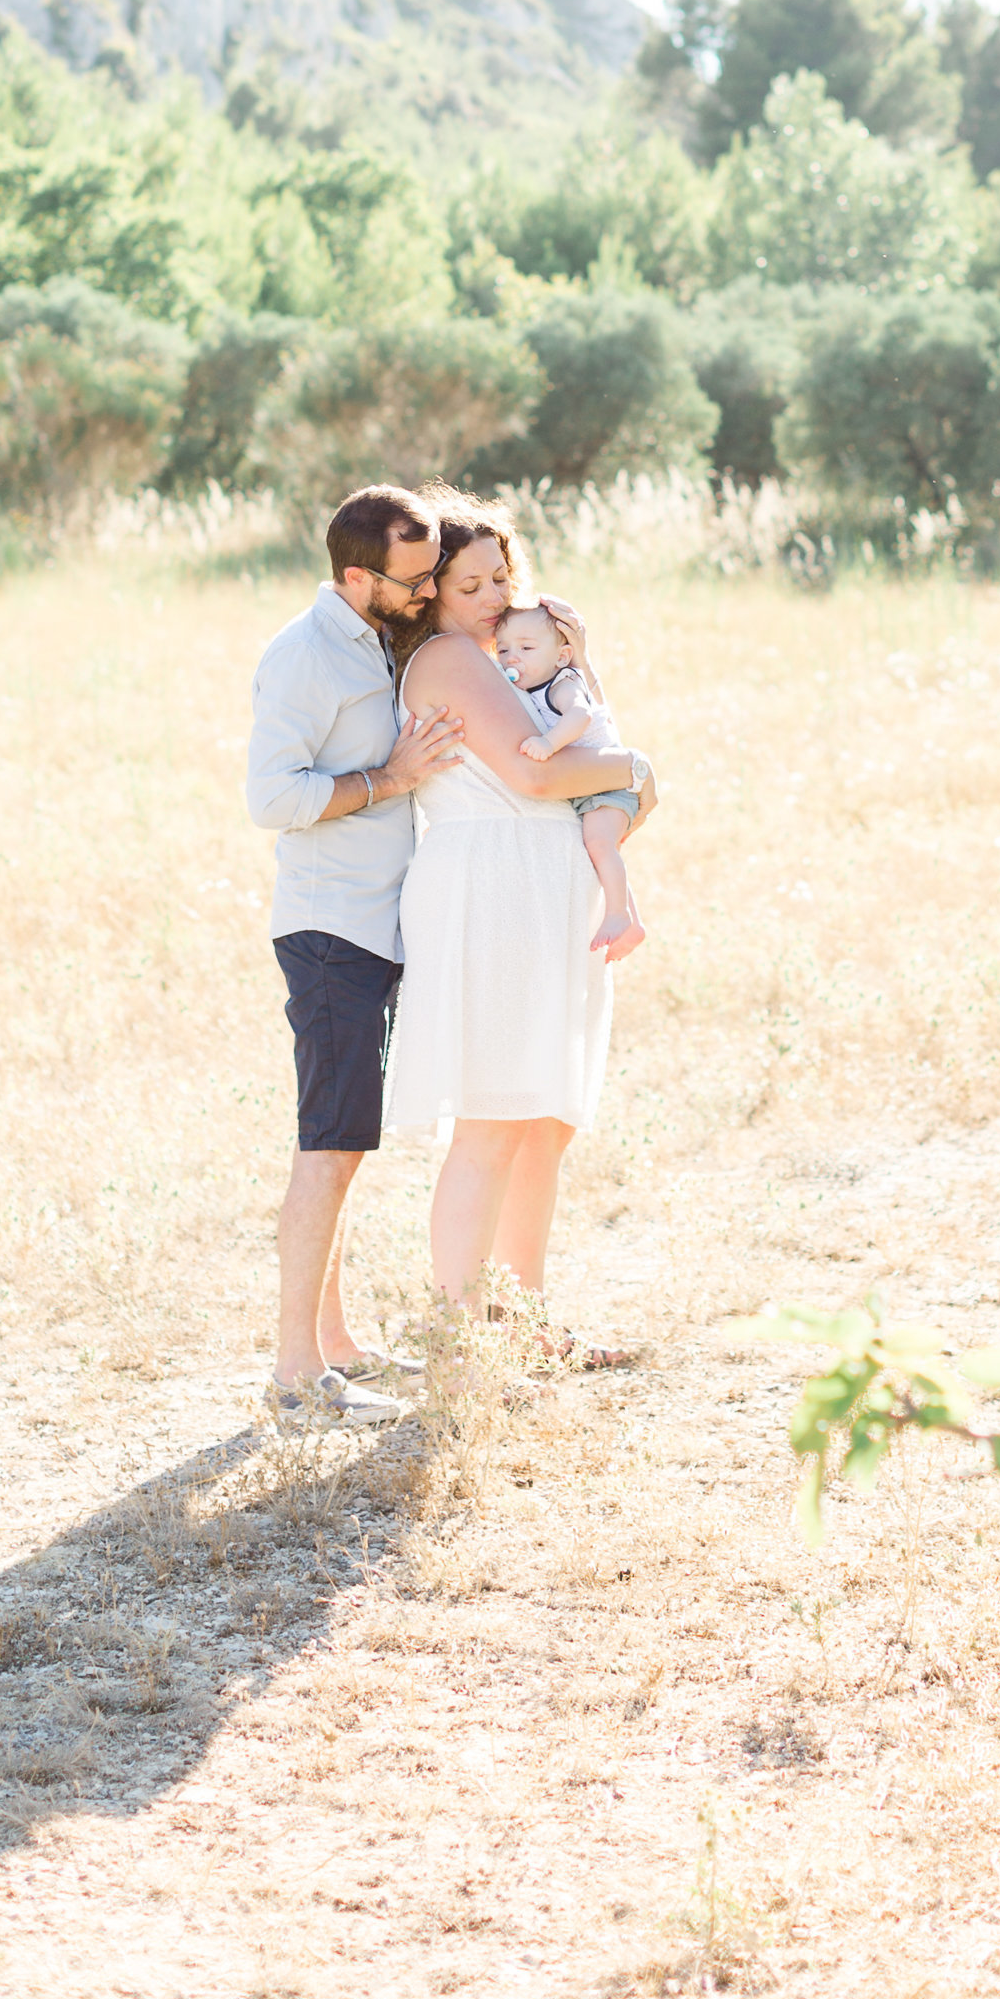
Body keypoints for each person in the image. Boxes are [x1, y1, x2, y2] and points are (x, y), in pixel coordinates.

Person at [383, 494, 655, 1339]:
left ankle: (526, 1327)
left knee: (543, 1120)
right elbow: (541, 778)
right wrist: (636, 766)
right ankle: (463, 1341)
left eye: (503, 576)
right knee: (495, 1119)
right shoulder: (451, 660)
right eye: (471, 584)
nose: (495, 597)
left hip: (545, 882)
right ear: (429, 593)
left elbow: (580, 758)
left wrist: (583, 664)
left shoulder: (513, 659)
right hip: (491, 884)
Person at [246, 483, 463, 1425]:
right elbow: (273, 798)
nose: (427, 594)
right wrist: (390, 780)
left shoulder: (383, 637)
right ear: (354, 575)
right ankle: (296, 1379)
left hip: (380, 924)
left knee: (348, 1148)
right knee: (327, 1150)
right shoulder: (301, 658)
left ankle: (337, 1346)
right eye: (413, 579)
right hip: (331, 928)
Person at [495, 598, 647, 966]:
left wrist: (548, 743)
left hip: (607, 783)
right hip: (586, 785)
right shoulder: (527, 686)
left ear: (562, 657)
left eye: (527, 648)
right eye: (503, 650)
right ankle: (633, 920)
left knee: (599, 843)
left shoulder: (563, 684)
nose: (512, 658)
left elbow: (580, 716)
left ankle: (618, 915)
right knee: (599, 848)